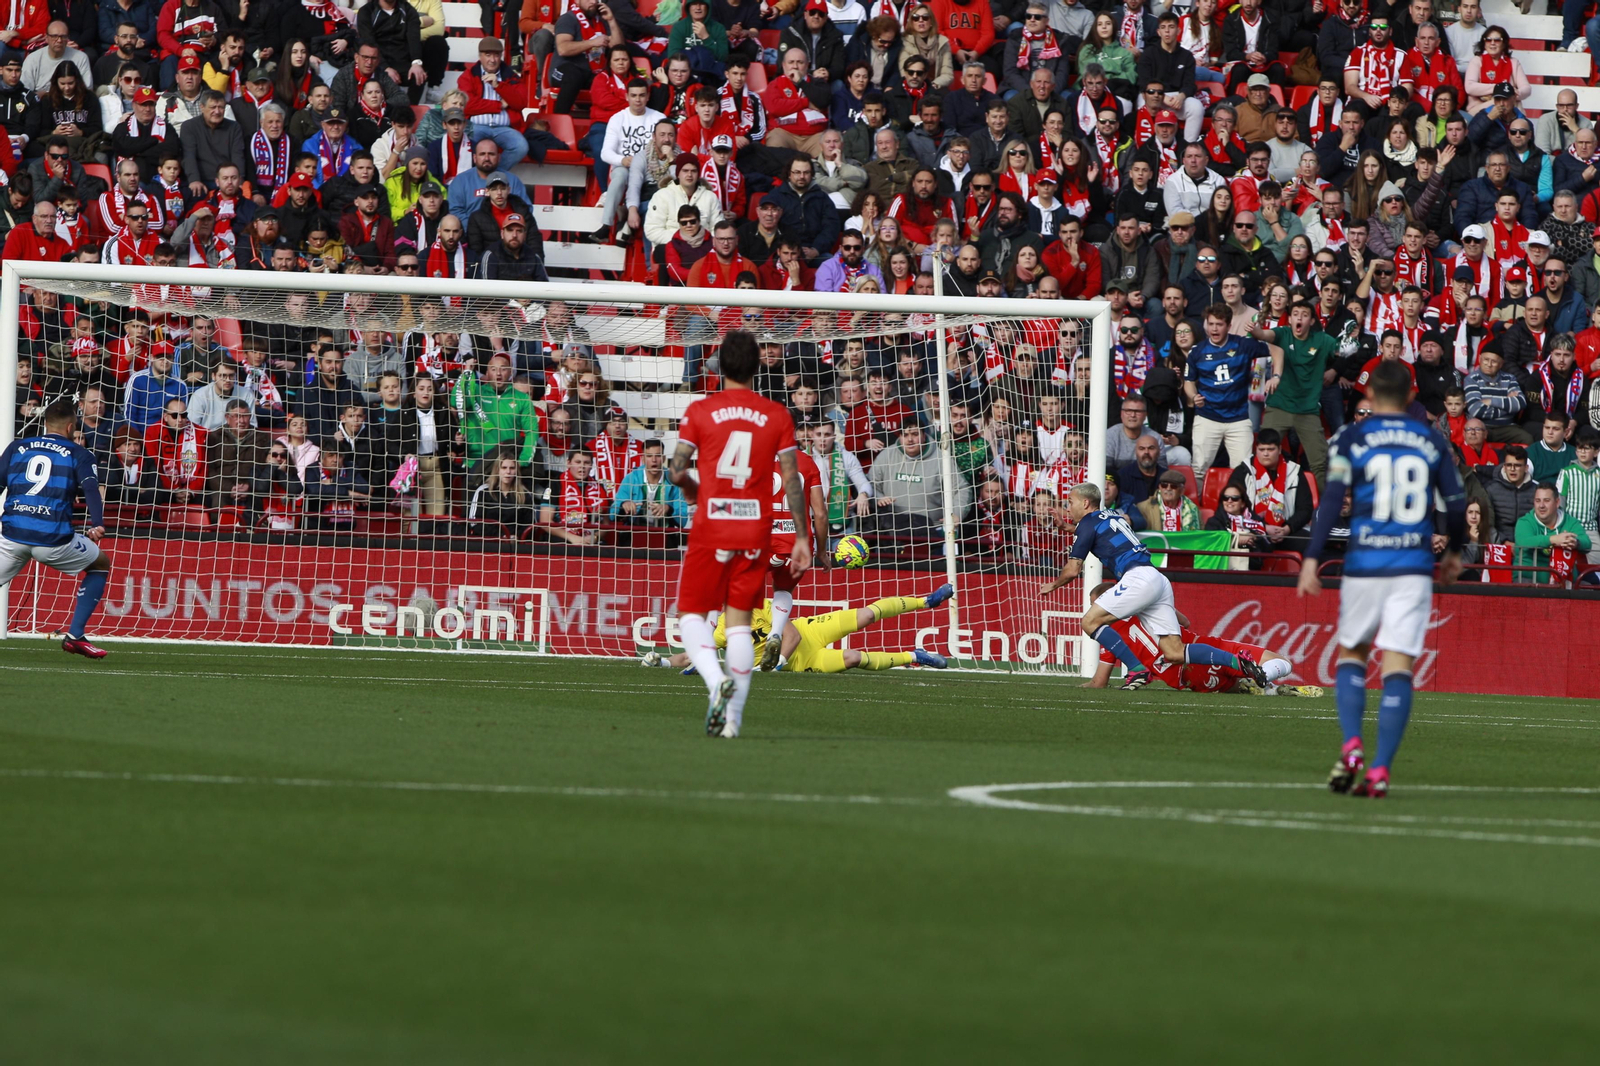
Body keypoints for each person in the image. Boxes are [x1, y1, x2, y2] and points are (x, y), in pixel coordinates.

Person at [1298, 361, 1467, 799]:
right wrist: (1451, 553)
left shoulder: (1352, 437)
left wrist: (1311, 558)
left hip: (1364, 565)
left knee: (1352, 655)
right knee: (1398, 668)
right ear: (1412, 396)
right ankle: (1379, 771)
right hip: (1412, 567)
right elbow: (1454, 499)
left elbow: (1333, 501)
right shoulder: (1432, 440)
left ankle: (1352, 743)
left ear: (1368, 396)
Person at [667, 330, 810, 738]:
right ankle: (733, 722)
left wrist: (696, 493)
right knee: (740, 626)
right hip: (755, 527)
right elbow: (792, 479)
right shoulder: (778, 415)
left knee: (692, 615)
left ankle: (716, 682)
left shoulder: (700, 411)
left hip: (713, 523)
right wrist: (801, 537)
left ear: (720, 366)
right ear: (758, 365)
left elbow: (676, 472)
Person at [1039, 480, 1271, 686]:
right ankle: (1238, 661)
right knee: (1174, 652)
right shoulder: (1111, 515)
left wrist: (1053, 585)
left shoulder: (1088, 523)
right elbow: (1092, 533)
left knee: (1090, 622)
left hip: (1137, 579)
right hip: (1157, 579)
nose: (1067, 507)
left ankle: (1137, 669)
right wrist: (1067, 527)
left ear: (1086, 503)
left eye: (1070, 501)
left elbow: (1072, 570)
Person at [0, 397, 112, 659]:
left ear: (45, 423)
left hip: (12, 535)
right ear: (71, 427)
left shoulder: (17, 447)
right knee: (100, 563)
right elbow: (91, 489)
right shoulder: (79, 453)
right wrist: (97, 523)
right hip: (53, 541)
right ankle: (75, 635)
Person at [642, 584, 954, 674]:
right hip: (801, 663)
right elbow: (695, 655)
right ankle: (913, 656)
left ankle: (926, 601)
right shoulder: (722, 629)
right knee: (853, 658)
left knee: (866, 616)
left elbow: (789, 635)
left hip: (807, 633)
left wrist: (774, 663)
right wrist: (665, 661)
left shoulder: (761, 604)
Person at [1083, 584, 1321, 696]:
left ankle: (1266, 690)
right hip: (1203, 649)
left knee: (1233, 687)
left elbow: (1099, 682)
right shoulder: (1146, 605)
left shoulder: (1109, 636)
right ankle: (1265, 678)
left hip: (1189, 678)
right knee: (1282, 662)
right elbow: (1185, 623)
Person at [1185, 303, 1281, 472]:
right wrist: (1193, 396)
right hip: (1207, 417)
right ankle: (1195, 500)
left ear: (1229, 326)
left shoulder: (1243, 345)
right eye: (1211, 324)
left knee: (1243, 470)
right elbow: (1188, 382)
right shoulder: (1197, 352)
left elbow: (1277, 351)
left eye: (1219, 324)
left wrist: (1276, 376)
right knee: (1199, 469)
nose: (1214, 329)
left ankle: (1242, 499)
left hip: (1238, 418)